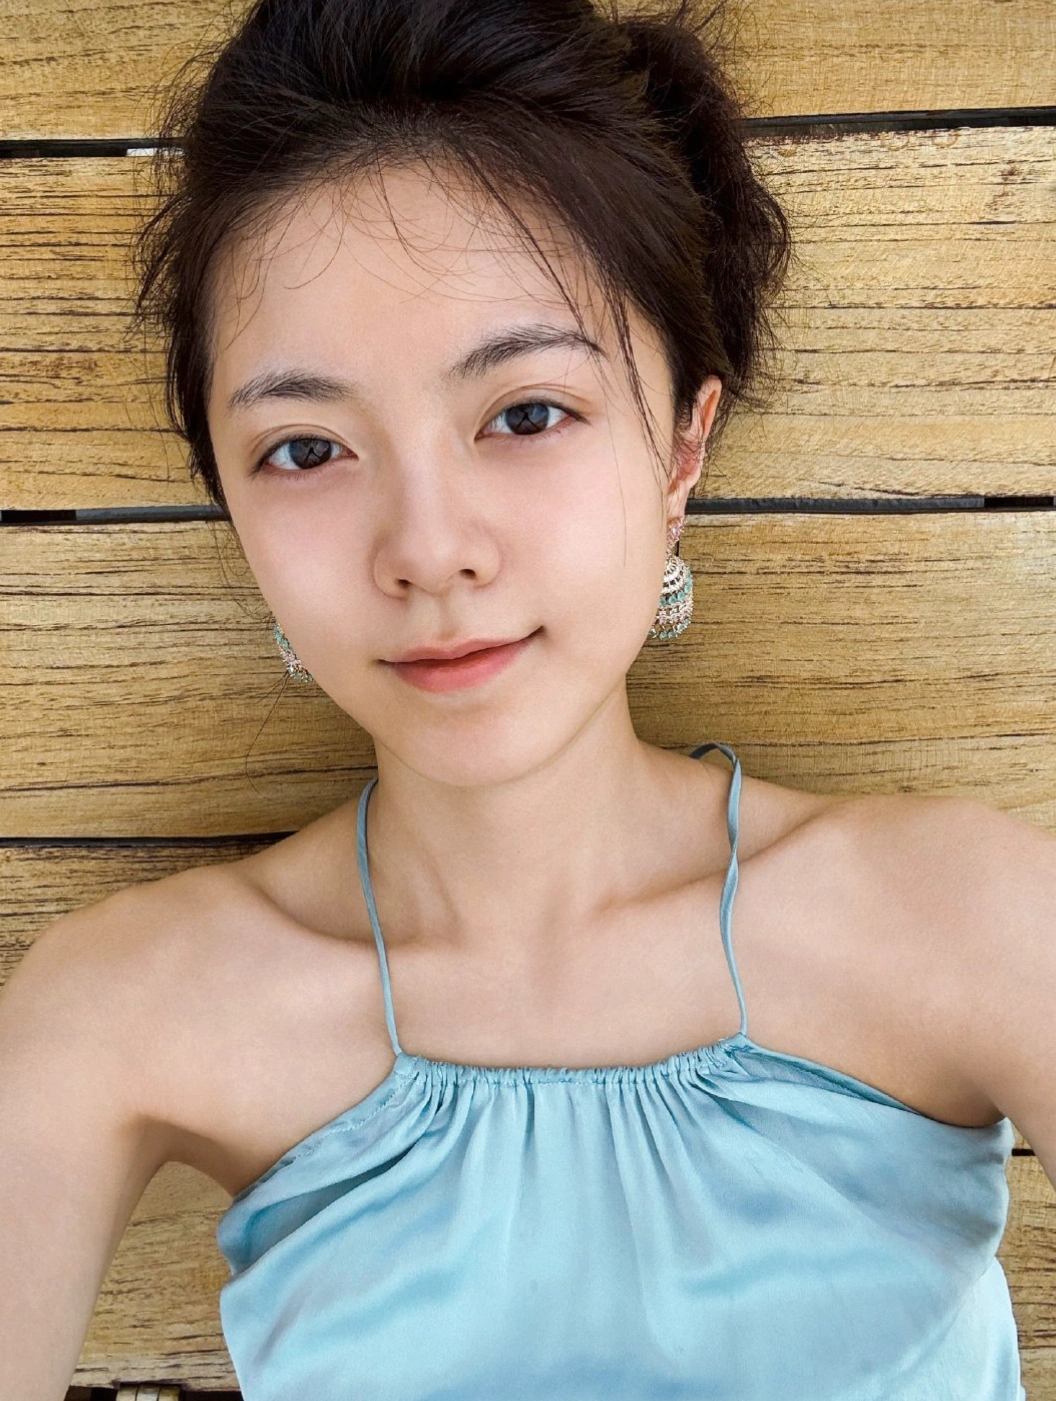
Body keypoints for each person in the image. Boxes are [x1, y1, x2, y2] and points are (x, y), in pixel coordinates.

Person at [2, 0, 1053, 1397]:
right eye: (305, 448)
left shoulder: (972, 923)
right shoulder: (118, 1016)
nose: (429, 550)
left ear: (683, 446)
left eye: (527, 413)